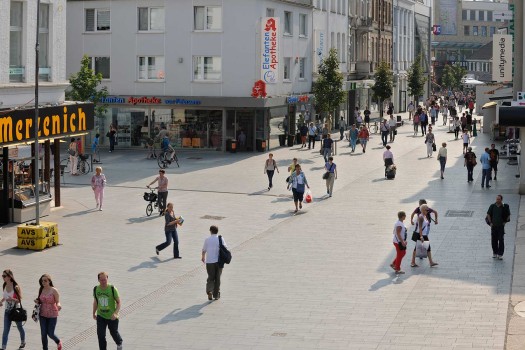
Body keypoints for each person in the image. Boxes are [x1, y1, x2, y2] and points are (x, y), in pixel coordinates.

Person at [93, 272, 123, 350]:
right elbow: (96, 301)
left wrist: (115, 313)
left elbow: (119, 302)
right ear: (98, 280)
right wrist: (93, 313)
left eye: (105, 280)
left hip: (112, 317)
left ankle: (119, 343)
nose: (103, 282)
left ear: (107, 279)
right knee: (101, 335)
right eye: (101, 280)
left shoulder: (112, 289)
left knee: (113, 332)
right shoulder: (96, 289)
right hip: (100, 316)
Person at [35, 274, 62, 350]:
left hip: (52, 315)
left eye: (45, 280)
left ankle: (58, 341)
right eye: (42, 281)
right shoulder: (41, 289)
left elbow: (57, 301)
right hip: (42, 314)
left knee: (50, 333)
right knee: (43, 334)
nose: (43, 282)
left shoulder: (54, 290)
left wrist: (59, 306)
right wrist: (37, 301)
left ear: (49, 281)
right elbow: (39, 300)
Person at [1, 269, 26, 350]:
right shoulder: (4, 285)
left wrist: (12, 299)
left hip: (15, 311)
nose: (3, 277)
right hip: (7, 312)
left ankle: (23, 341)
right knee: (5, 331)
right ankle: (3, 347)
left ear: (9, 276)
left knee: (19, 327)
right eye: (2, 276)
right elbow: (5, 296)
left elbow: (19, 300)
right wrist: (1, 301)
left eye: (4, 276)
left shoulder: (15, 287)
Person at [201, 225, 227, 300]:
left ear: (211, 231)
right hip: (219, 262)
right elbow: (225, 248)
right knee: (218, 278)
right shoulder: (220, 238)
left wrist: (203, 257)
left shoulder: (207, 239)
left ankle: (210, 291)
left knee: (210, 277)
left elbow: (204, 250)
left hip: (209, 262)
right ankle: (216, 295)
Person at [486, 195, 511, 260]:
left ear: (501, 200)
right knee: (494, 240)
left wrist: (505, 222)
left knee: (501, 240)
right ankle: (495, 252)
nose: (497, 200)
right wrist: (490, 223)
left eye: (499, 199)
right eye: (497, 199)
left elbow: (508, 215)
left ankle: (500, 254)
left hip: (500, 226)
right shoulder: (492, 206)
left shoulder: (505, 206)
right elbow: (488, 214)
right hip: (494, 226)